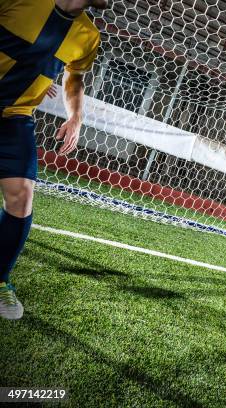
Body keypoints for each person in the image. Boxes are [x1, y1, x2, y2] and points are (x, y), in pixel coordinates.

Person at [0, 0, 106, 320]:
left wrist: (76, 116)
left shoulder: (88, 36)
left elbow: (74, 77)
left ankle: (0, 278)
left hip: (14, 118)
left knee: (22, 195)